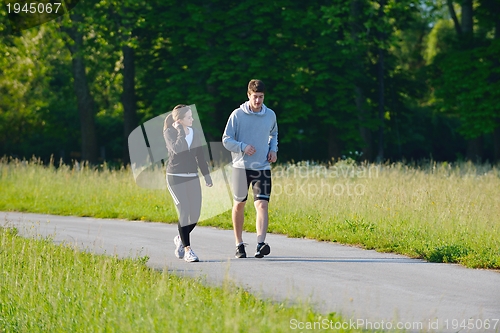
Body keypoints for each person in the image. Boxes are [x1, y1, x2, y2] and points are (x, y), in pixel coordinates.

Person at [222, 79, 278, 258]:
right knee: (239, 204)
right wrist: (242, 146)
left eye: (261, 97)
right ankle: (239, 244)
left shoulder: (270, 115)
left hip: (262, 166)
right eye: (255, 97)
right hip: (241, 167)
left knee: (262, 204)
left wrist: (273, 149)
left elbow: (274, 133)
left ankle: (260, 244)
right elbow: (226, 139)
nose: (258, 101)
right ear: (248, 95)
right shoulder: (237, 115)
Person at [163, 104, 212, 262]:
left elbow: (200, 156)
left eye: (192, 116)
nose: (192, 119)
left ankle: (180, 237)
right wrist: (179, 131)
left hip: (192, 176)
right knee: (184, 211)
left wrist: (207, 176)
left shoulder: (195, 132)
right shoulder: (169, 132)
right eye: (189, 117)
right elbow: (179, 148)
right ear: (179, 120)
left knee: (195, 215)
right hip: (175, 177)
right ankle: (188, 250)